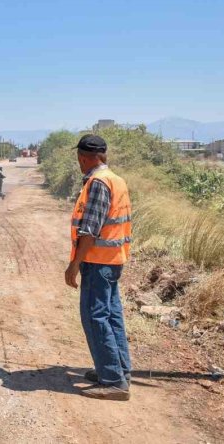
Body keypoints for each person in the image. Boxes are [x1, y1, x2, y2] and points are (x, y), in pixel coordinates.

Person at [64, 135, 133, 401]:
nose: (79, 162)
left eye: (80, 157)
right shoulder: (116, 179)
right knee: (112, 315)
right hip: (114, 258)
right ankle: (117, 371)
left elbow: (90, 230)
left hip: (98, 261)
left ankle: (113, 381)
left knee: (95, 317)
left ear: (86, 157)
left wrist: (74, 264)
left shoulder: (98, 183)